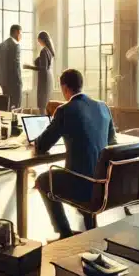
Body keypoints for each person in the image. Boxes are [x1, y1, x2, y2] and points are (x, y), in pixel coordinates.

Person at [33, 69, 116, 239]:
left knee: (43, 180)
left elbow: (42, 145)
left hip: (81, 185)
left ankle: (64, 232)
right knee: (88, 166)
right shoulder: (103, 107)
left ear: (64, 87)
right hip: (104, 183)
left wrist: (34, 140)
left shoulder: (65, 110)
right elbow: (112, 144)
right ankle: (90, 221)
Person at [23, 30, 55, 113]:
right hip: (49, 78)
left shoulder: (44, 51)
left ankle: (42, 120)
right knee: (46, 102)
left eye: (39, 40)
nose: (39, 42)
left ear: (41, 40)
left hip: (44, 79)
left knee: (42, 104)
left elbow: (43, 68)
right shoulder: (50, 50)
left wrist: (29, 67)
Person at [0, 24, 23, 109]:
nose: (21, 36)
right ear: (17, 32)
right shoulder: (16, 45)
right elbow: (16, 66)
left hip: (3, 83)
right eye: (21, 34)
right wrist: (20, 83)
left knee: (6, 107)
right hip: (14, 84)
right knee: (16, 108)